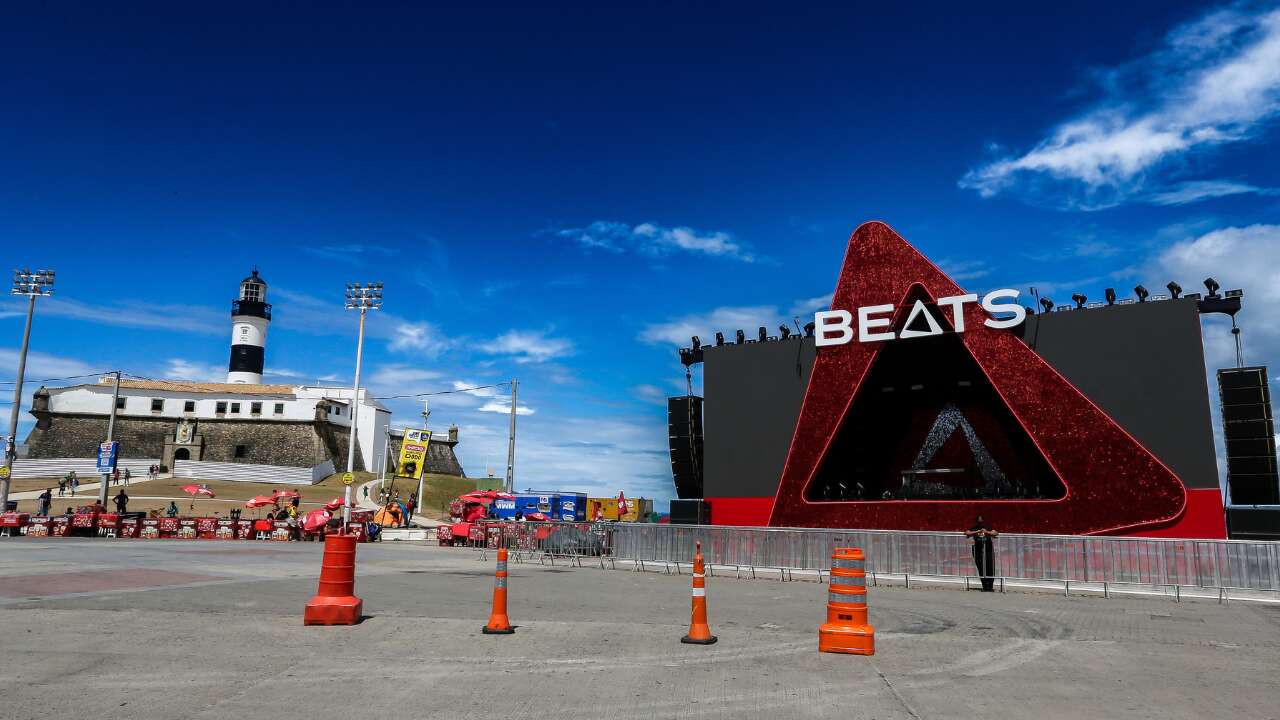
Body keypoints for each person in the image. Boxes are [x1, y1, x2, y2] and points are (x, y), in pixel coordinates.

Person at [965, 515, 999, 592]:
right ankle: (984, 586)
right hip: (977, 551)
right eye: (978, 521)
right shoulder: (974, 528)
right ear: (977, 521)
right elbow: (966, 533)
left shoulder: (987, 527)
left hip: (988, 550)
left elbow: (996, 533)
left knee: (989, 567)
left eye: (981, 521)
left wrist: (986, 532)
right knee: (981, 568)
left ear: (983, 521)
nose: (980, 522)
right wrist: (977, 531)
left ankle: (990, 586)